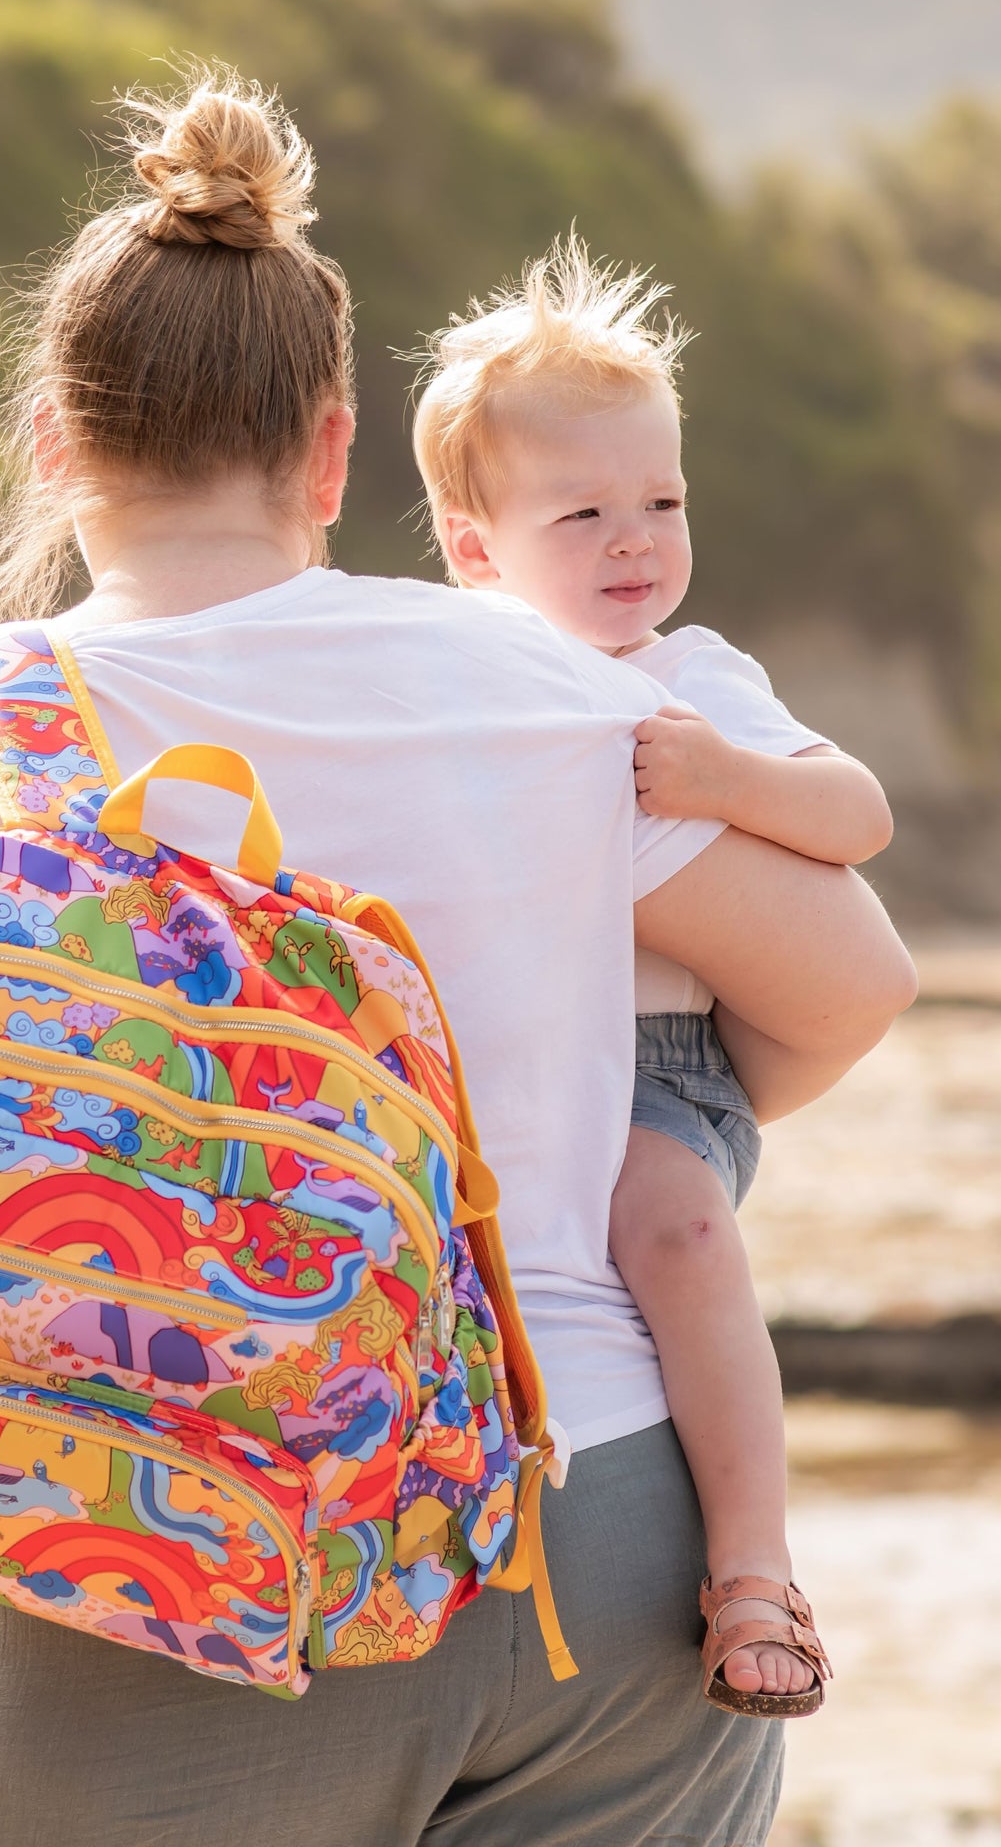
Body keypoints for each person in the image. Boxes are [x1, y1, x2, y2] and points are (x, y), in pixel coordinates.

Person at [0, 73, 916, 1847]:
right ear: (335, 450)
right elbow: (850, 988)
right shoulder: (548, 690)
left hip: (138, 1540)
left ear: (54, 435)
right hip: (587, 1542)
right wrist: (651, 1131)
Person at [412, 236, 892, 1717]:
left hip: (664, 1070)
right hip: (493, 1070)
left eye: (665, 502)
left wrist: (725, 776)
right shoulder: (453, 676)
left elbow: (858, 818)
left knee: (677, 1240)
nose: (638, 541)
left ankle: (753, 1568)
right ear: (477, 549)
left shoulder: (693, 678)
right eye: (588, 513)